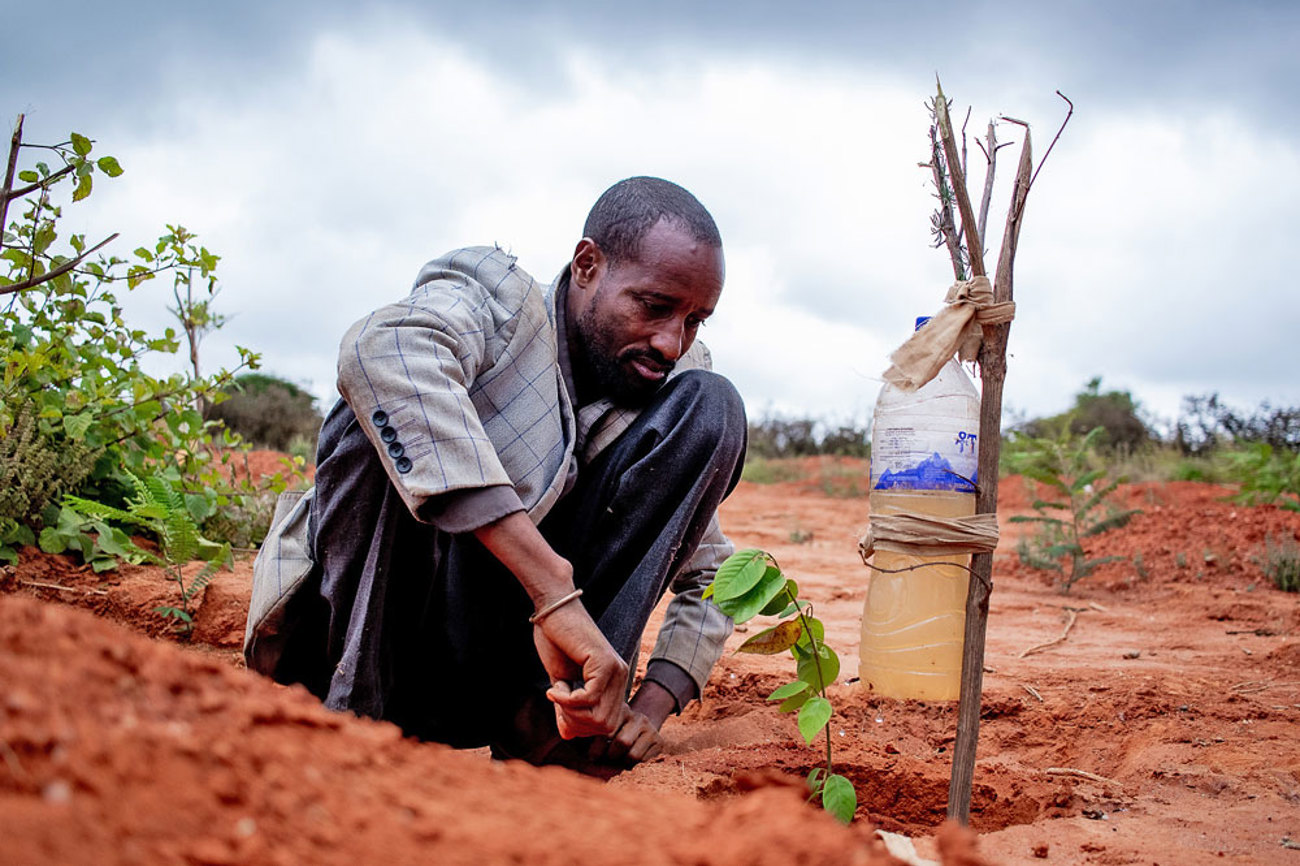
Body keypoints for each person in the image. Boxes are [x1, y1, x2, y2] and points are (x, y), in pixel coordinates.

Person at [245, 176, 746, 769]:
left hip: (508, 684)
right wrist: (552, 591)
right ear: (587, 265)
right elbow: (381, 350)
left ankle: (564, 736)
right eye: (654, 306)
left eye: (695, 321)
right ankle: (353, 718)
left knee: (714, 404)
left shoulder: (659, 385)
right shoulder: (496, 300)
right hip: (379, 644)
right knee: (385, 409)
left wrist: (653, 706)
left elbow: (713, 573)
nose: (671, 341)